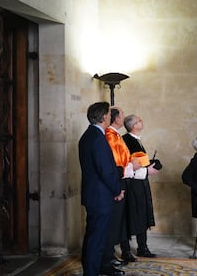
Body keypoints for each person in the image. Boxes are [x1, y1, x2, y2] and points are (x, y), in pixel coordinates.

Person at [78, 102, 125, 276]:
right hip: (100, 197)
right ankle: (90, 272)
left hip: (95, 196)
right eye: (108, 114)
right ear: (104, 116)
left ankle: (92, 270)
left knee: (93, 237)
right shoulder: (97, 138)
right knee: (95, 239)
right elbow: (105, 170)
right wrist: (117, 190)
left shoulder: (89, 135)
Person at [104, 107, 141, 266]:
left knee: (122, 219)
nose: (124, 117)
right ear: (116, 119)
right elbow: (115, 162)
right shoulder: (110, 135)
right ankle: (109, 255)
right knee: (114, 221)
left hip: (124, 178)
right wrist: (131, 166)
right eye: (122, 115)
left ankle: (119, 252)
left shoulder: (116, 134)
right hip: (118, 180)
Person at [121, 114, 160, 258]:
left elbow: (139, 161)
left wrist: (149, 164)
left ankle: (142, 248)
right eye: (139, 121)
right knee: (130, 215)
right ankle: (126, 251)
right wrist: (147, 170)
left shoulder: (135, 140)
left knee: (142, 215)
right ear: (133, 126)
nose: (142, 121)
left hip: (140, 183)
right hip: (132, 185)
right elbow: (128, 164)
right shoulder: (126, 140)